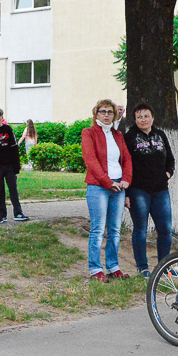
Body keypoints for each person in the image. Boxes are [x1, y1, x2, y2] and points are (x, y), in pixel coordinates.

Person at [81, 99, 132, 281]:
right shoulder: (88, 133)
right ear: (96, 114)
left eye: (110, 112)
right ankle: (96, 269)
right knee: (98, 229)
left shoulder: (117, 135)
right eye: (102, 111)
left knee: (115, 229)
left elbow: (126, 159)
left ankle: (113, 266)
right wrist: (107, 182)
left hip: (119, 186)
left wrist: (126, 180)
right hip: (99, 187)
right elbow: (91, 161)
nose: (106, 115)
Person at [123, 102, 174, 278]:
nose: (143, 119)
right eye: (139, 116)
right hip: (139, 190)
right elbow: (125, 164)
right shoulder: (129, 137)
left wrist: (168, 173)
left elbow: (170, 159)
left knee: (165, 229)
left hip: (160, 190)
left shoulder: (160, 135)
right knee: (140, 229)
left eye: (146, 116)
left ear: (152, 117)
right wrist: (127, 193)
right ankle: (143, 268)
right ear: (135, 119)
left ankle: (164, 267)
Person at [0, 107, 28, 224]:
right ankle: (2, 215)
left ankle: (18, 213)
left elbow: (14, 147)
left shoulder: (8, 129)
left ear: (2, 117)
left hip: (9, 166)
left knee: (13, 189)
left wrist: (16, 165)